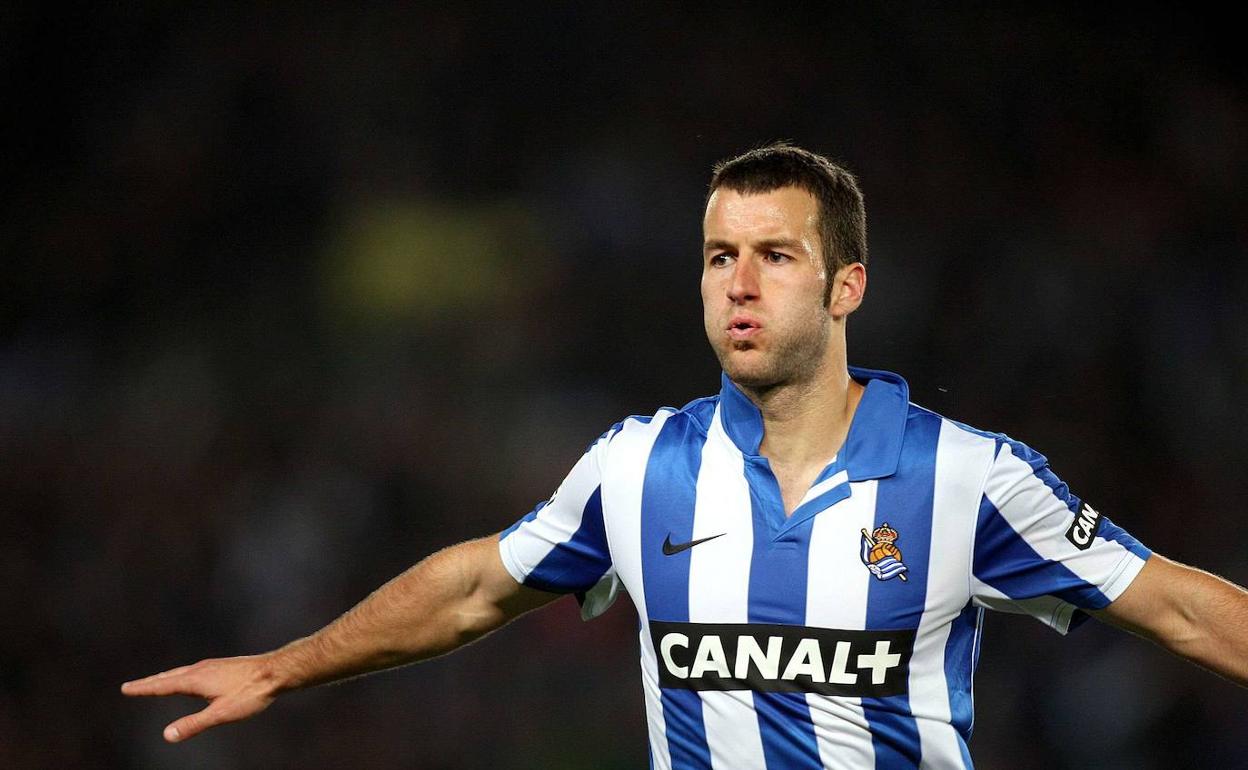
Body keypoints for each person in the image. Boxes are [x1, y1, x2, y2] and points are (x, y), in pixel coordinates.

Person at [123, 143, 1248, 769]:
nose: (739, 284)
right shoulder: (639, 466)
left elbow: (1184, 612)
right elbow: (474, 589)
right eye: (718, 255)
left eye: (775, 255)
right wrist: (283, 666)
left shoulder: (966, 477)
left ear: (846, 286)